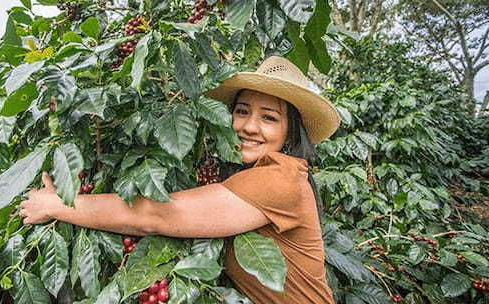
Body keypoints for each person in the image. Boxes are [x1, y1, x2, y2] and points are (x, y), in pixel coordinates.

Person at [20, 56, 339, 304]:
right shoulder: (265, 175)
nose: (249, 126)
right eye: (242, 111)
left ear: (291, 131)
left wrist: (57, 205)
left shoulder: (280, 180)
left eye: (268, 117)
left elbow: (155, 215)